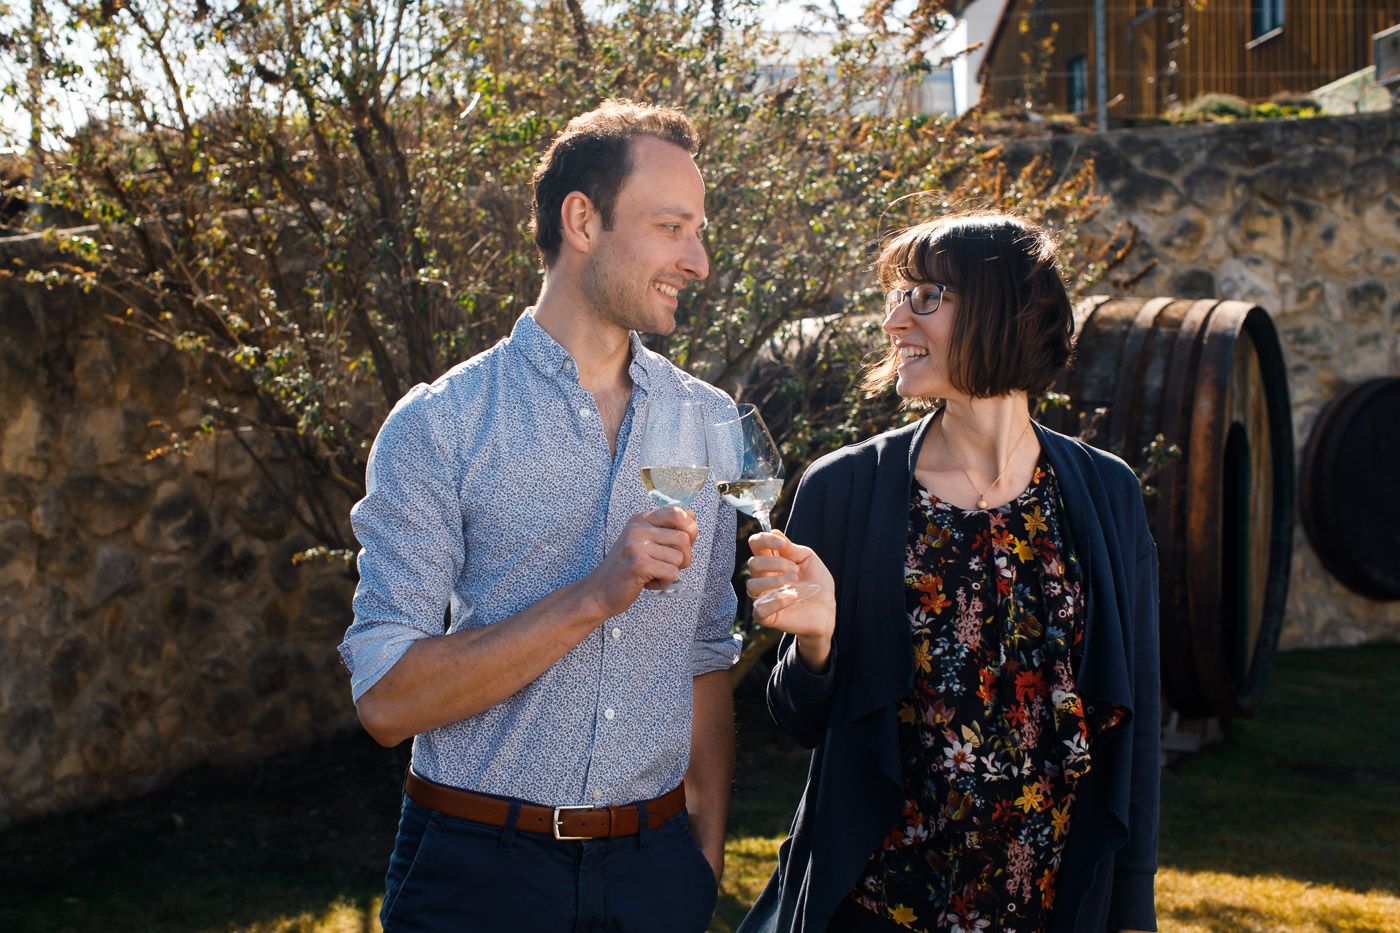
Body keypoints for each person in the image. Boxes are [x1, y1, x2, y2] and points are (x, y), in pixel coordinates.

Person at [338, 100, 741, 932]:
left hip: (653, 875)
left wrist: (702, 855)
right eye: (672, 227)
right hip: (478, 875)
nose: (697, 260)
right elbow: (384, 700)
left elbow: (706, 652)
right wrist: (595, 594)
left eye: (699, 231)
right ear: (582, 219)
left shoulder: (707, 422)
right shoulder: (440, 424)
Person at [737, 212, 1160, 933]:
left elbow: (1137, 721)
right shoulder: (844, 488)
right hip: (878, 909)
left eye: (927, 296)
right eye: (897, 297)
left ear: (1003, 310)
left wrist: (1133, 903)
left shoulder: (1103, 493)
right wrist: (813, 646)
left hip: (1051, 906)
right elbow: (794, 718)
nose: (894, 320)